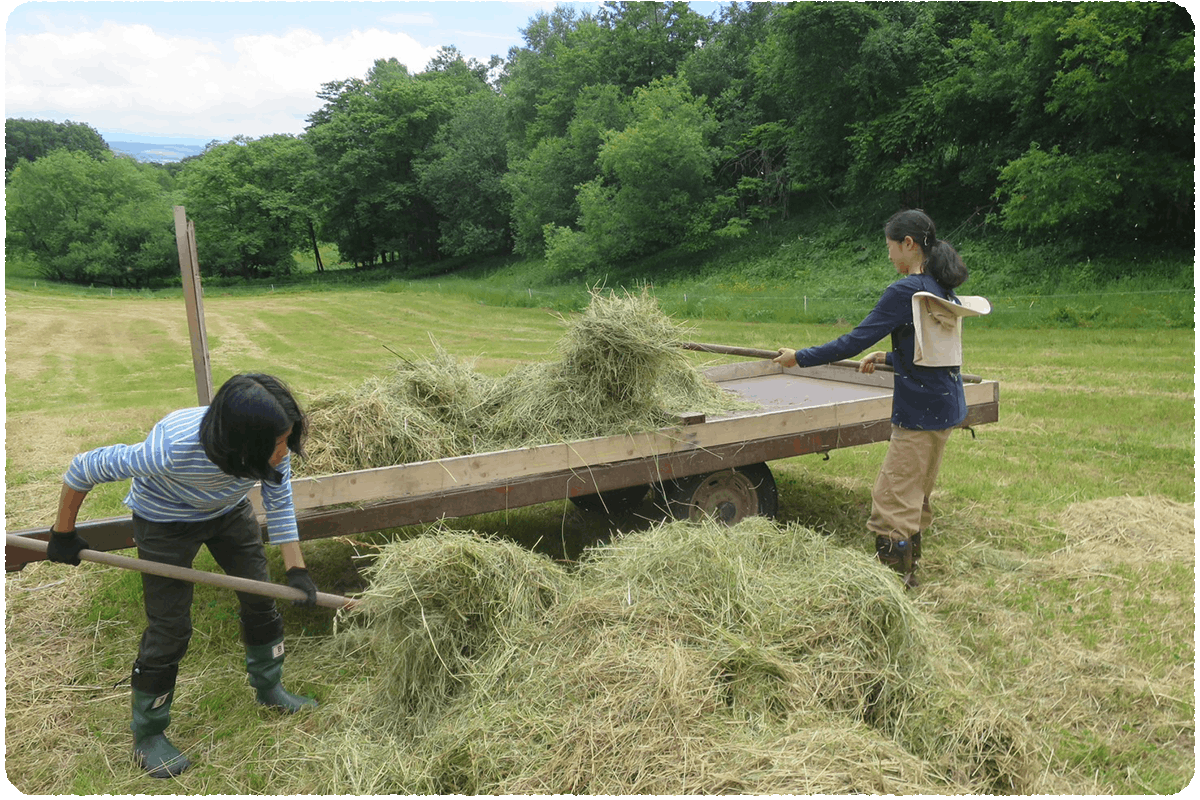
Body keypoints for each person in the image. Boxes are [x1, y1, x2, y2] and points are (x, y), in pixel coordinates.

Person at [45, 373, 321, 779]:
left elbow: (278, 498)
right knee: (171, 627)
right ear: (242, 444)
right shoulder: (169, 449)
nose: (284, 452)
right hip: (164, 521)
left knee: (262, 596)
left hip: (228, 513)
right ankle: (149, 735)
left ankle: (269, 688)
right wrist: (62, 533)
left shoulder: (270, 438)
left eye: (286, 441)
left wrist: (296, 568)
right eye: (278, 445)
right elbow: (83, 467)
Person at [773, 209, 971, 589]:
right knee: (915, 490)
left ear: (908, 244)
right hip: (946, 406)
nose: (890, 256)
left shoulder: (905, 292)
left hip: (919, 412)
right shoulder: (941, 288)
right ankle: (909, 571)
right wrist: (887, 357)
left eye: (891, 247)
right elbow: (932, 352)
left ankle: (893, 586)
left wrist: (800, 356)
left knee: (891, 497)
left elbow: (853, 340)